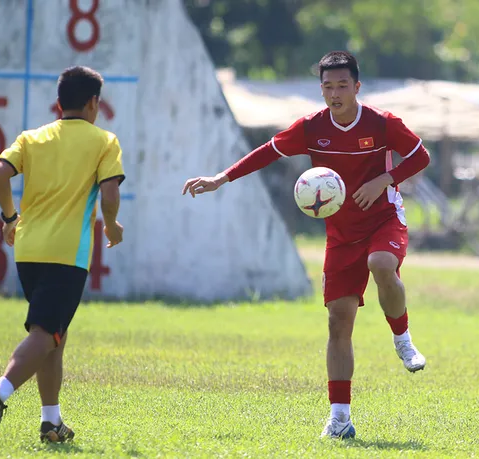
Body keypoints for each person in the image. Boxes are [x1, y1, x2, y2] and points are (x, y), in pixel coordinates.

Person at [182, 51, 431, 439]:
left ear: (357, 87)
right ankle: (340, 419)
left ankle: (402, 338)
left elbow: (420, 156)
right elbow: (268, 152)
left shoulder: (382, 123)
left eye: (342, 86)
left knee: (382, 264)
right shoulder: (312, 127)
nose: (335, 93)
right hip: (341, 234)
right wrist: (221, 178)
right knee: (338, 323)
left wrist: (385, 179)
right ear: (321, 89)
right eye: (328, 86)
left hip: (383, 218)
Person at [0, 66, 126, 444]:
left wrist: (10, 217)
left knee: (53, 334)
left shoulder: (32, 137)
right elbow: (109, 195)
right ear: (94, 102)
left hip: (27, 250)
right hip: (67, 254)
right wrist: (111, 227)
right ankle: (1, 392)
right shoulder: (104, 140)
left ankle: (51, 422)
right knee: (46, 333)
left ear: (59, 101)